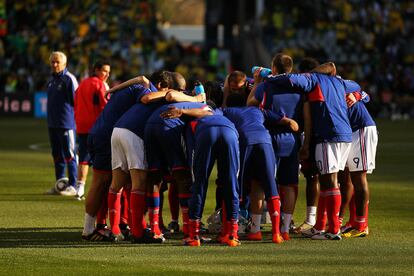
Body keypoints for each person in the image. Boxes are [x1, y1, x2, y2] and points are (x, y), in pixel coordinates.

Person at [248, 53, 303, 241]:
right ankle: (285, 229)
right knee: (288, 184)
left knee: (259, 183)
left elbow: (251, 104)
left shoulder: (266, 85)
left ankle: (255, 229)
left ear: (273, 67)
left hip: (269, 136)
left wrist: (256, 82)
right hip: (291, 138)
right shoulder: (299, 86)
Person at [74, 60, 111, 199]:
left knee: (83, 158)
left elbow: (75, 101)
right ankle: (100, 189)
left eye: (108, 72)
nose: (107, 74)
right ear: (96, 70)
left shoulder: (82, 83)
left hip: (82, 125)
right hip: (96, 127)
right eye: (104, 71)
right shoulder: (99, 84)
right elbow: (105, 105)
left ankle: (80, 188)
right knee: (100, 158)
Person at [45, 51, 79, 196]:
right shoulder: (51, 80)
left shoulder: (69, 79)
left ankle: (73, 185)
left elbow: (76, 102)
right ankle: (60, 184)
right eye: (52, 62)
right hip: (53, 124)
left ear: (64, 63)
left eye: (57, 62)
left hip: (66, 124)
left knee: (70, 154)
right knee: (57, 155)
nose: (54, 64)